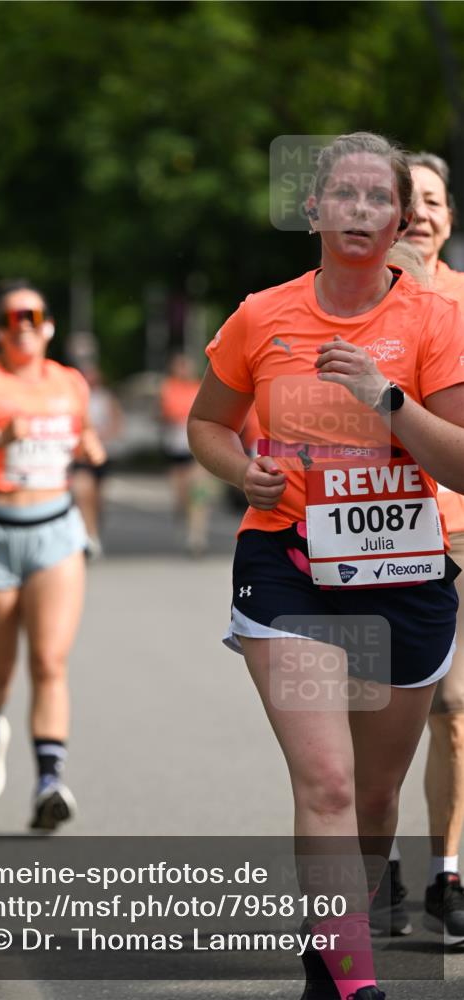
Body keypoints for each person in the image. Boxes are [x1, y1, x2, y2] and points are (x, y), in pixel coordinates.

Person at [188, 132, 464, 1000]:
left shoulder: (435, 321)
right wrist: (244, 470)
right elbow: (207, 424)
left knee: (375, 800)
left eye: (377, 198)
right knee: (328, 780)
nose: (359, 212)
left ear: (400, 218)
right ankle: (353, 983)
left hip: (407, 576)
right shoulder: (262, 315)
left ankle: (327, 948)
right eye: (341, 196)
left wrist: (384, 401)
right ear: (312, 210)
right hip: (287, 564)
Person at [0, 279, 105, 831]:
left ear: (48, 325)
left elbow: (84, 437)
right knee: (0, 668)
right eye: (12, 318)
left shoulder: (69, 382)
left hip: (55, 530)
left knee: (49, 662)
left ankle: (49, 781)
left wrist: (90, 447)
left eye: (33, 315)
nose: (23, 326)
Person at [373, 153, 464, 944]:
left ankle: (446, 873)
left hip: (459, 525)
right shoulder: (355, 300)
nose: (421, 216)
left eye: (433, 201)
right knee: (377, 714)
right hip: (370, 531)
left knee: (455, 712)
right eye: (408, 203)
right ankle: (376, 863)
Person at [160, 352, 214, 555]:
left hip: (197, 451)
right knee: (181, 497)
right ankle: (183, 516)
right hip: (176, 450)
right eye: (179, 366)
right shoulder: (168, 388)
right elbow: (163, 414)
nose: (184, 370)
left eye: (186, 365)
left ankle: (197, 537)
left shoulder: (199, 388)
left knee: (199, 493)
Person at [70, 362, 124, 559]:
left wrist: (103, 435)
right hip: (81, 456)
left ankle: (93, 528)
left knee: (97, 498)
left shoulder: (106, 398)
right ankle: (89, 537)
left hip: (102, 453)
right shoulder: (75, 398)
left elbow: (117, 423)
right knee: (84, 492)